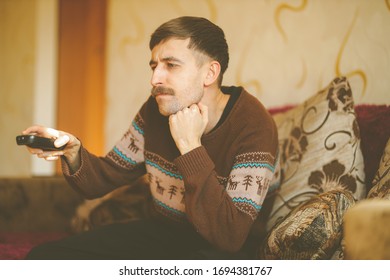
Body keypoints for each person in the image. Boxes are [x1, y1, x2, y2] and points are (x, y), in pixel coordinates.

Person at [23, 16, 278, 260]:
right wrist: (72, 151)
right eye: (154, 66)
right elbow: (104, 177)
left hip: (224, 251)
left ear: (210, 73)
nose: (155, 79)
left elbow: (229, 235)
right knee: (44, 258)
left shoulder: (254, 125)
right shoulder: (156, 111)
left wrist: (190, 148)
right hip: (165, 234)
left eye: (171, 65)